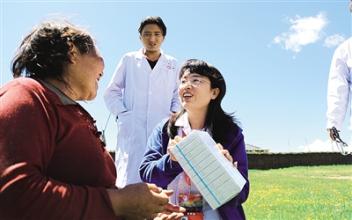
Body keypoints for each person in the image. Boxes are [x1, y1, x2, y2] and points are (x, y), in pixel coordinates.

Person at [0, 20, 184, 220]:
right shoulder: (27, 96)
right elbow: (15, 195)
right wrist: (120, 202)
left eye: (157, 34)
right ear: (72, 52)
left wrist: (138, 211)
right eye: (98, 55)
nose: (104, 67)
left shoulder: (68, 111)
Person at [140, 59, 250, 220]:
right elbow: (147, 174)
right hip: (173, 215)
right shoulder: (165, 130)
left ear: (214, 93)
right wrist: (172, 162)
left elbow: (242, 194)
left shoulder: (231, 134)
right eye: (183, 81)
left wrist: (227, 174)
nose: (187, 85)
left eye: (196, 80)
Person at [104, 16, 180, 188]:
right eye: (147, 34)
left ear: (163, 37)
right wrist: (123, 115)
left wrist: (173, 116)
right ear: (140, 37)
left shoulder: (173, 64)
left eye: (157, 34)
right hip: (132, 127)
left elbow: (177, 95)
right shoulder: (129, 59)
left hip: (163, 128)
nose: (152, 39)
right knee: (130, 178)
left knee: (162, 181)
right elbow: (111, 92)